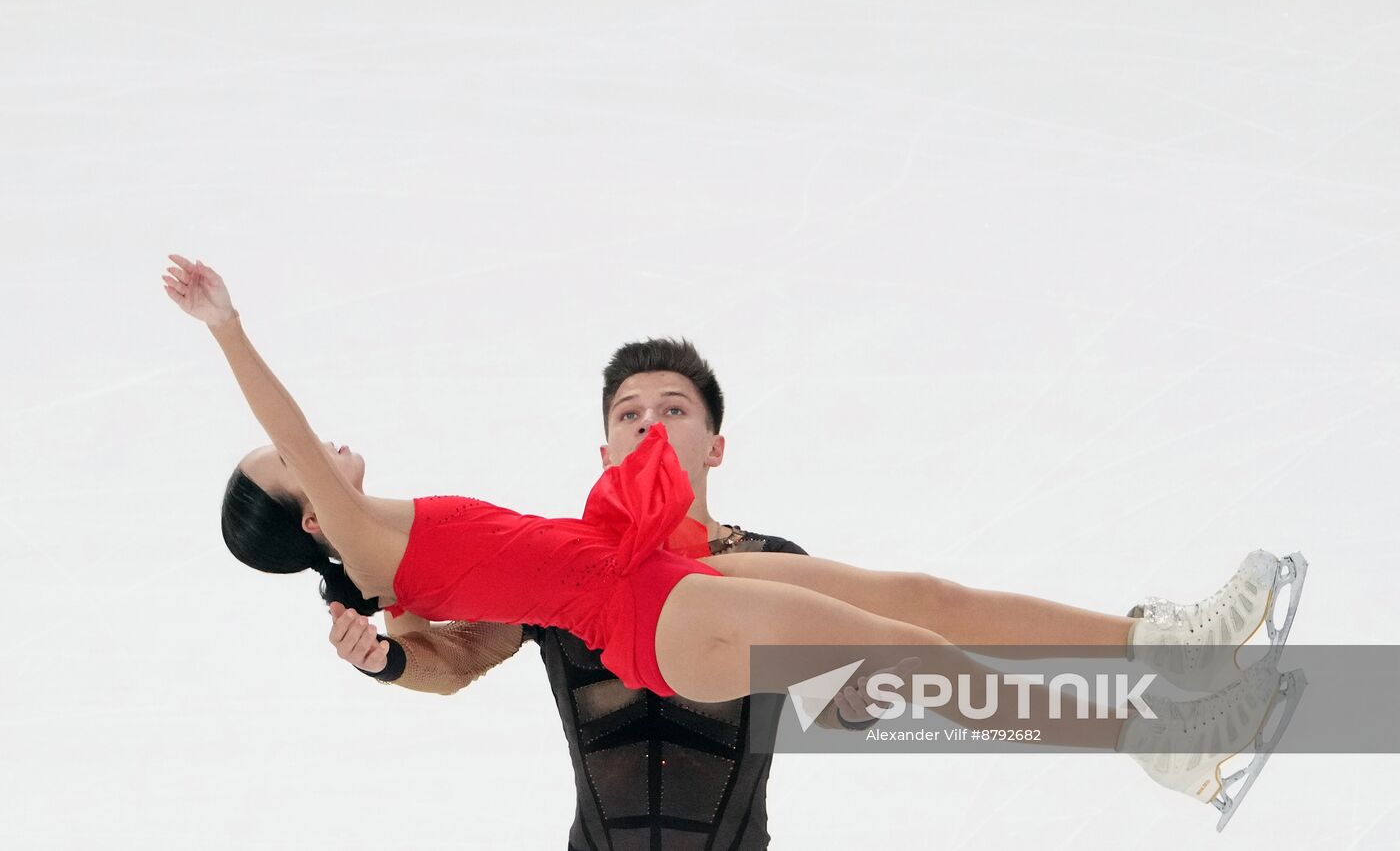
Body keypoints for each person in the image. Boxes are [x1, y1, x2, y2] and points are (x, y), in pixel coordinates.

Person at [166, 255, 1306, 826]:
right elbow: (300, 438)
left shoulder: (390, 558)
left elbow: (440, 656)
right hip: (644, 618)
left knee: (917, 596)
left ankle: (1164, 641)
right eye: (291, 469)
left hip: (650, 570)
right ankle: (1157, 744)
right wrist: (230, 329)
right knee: (897, 654)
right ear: (306, 512)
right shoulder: (363, 543)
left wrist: (394, 658)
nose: (312, 452)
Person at [330, 335, 828, 850]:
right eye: (628, 413)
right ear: (607, 453)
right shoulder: (560, 563)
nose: (649, 422)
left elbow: (855, 701)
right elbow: (459, 658)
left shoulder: (773, 564)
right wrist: (383, 658)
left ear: (715, 447)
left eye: (674, 409)